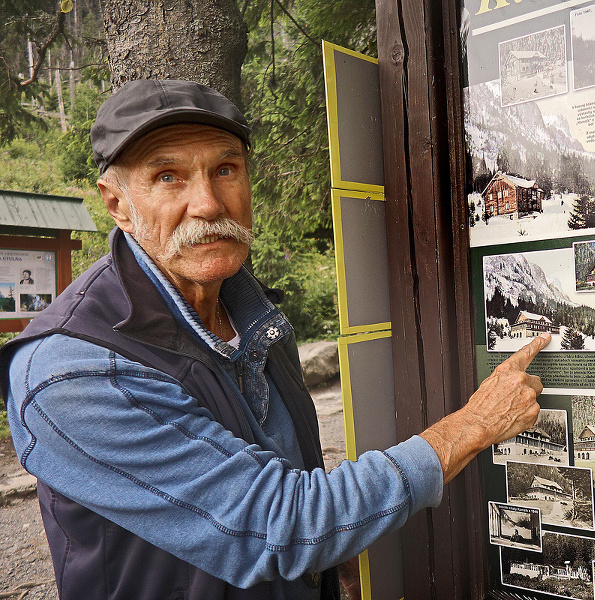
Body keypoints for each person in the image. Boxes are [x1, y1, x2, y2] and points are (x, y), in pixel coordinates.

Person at [0, 80, 549, 600]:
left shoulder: (247, 310)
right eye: (168, 177)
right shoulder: (74, 373)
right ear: (117, 204)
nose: (209, 203)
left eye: (225, 169)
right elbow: (281, 524)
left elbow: (285, 477)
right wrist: (472, 426)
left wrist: (329, 568)